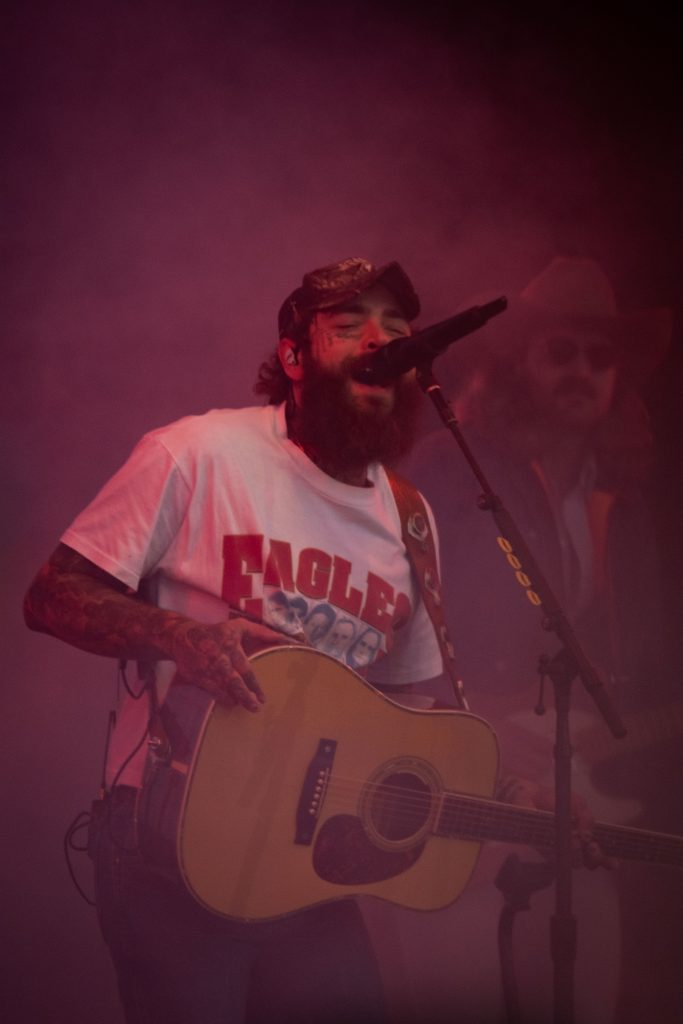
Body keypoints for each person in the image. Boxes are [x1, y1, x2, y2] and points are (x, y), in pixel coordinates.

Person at [23, 255, 603, 1024]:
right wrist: (174, 634)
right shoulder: (196, 454)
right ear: (293, 357)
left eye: (396, 331)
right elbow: (50, 594)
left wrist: (509, 799)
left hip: (306, 871)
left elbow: (408, 711)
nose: (380, 342)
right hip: (172, 854)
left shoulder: (409, 517)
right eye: (348, 327)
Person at [401, 255, 679, 1023]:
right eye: (562, 350)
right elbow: (394, 623)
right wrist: (477, 724)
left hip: (572, 798)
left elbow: (635, 661)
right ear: (517, 361)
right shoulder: (450, 468)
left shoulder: (618, 505)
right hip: (456, 782)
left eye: (601, 357)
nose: (583, 370)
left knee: (585, 995)